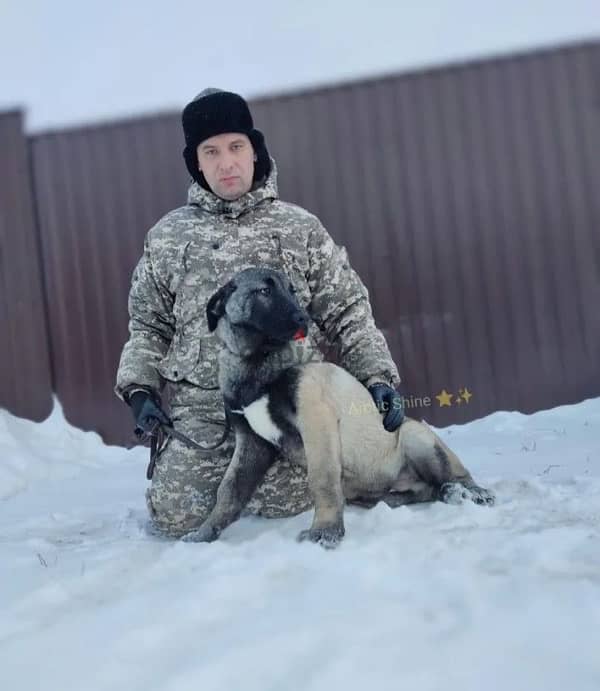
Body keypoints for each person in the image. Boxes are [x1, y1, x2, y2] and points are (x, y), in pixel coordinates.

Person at [115, 88, 404, 538]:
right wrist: (139, 390)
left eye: (235, 147)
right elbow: (148, 325)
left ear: (254, 151)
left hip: (287, 405)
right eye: (210, 152)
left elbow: (348, 310)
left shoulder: (299, 227)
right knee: (175, 517)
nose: (225, 162)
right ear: (197, 162)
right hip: (204, 413)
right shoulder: (167, 237)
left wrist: (377, 379)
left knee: (295, 500)